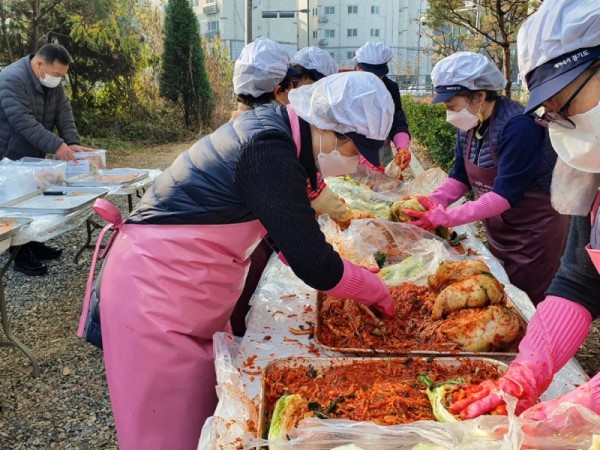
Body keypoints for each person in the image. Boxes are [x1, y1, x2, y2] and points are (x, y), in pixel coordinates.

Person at [94, 59, 395, 448]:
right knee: (167, 429)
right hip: (154, 295)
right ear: (330, 127)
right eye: (357, 148)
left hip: (186, 291)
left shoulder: (280, 132)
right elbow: (314, 264)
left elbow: (287, 231)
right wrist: (374, 288)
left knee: (205, 418)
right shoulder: (267, 150)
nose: (355, 161)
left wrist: (315, 256)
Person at [449, 0, 600, 421]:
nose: (554, 118)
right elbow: (578, 281)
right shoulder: (591, 166)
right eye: (547, 109)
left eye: (561, 101)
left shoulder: (512, 126)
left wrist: (581, 406)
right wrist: (526, 372)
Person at [227, 38, 371, 337]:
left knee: (239, 311)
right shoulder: (266, 138)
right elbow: (301, 184)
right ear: (284, 87)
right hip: (224, 253)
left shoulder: (265, 124)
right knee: (242, 310)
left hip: (244, 242)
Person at [403, 51, 569, 305]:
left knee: (527, 303)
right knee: (501, 292)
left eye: (452, 106)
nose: (450, 114)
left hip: (534, 233)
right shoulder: (470, 125)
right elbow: (459, 177)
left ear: (479, 96)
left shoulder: (519, 126)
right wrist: (433, 202)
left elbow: (504, 195)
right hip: (500, 229)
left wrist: (447, 217)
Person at [0, 43, 91, 276]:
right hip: (7, 156)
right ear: (40, 64)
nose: (58, 79)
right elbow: (22, 121)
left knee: (35, 199)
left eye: (62, 75)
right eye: (57, 74)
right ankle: (19, 255)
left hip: (33, 154)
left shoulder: (51, 82)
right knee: (15, 203)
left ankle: (33, 242)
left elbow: (64, 112)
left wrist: (70, 142)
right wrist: (56, 145)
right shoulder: (11, 78)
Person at [354, 41, 411, 171]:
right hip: (349, 153)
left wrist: (402, 146)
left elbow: (397, 120)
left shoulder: (390, 88)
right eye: (369, 75)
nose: (374, 80)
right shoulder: (346, 88)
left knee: (383, 186)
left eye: (379, 76)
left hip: (380, 150)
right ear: (357, 67)